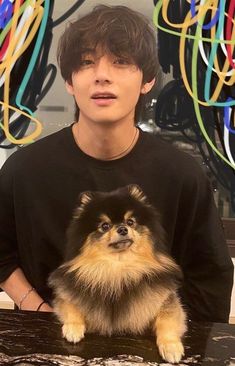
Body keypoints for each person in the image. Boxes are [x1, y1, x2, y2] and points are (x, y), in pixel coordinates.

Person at [0, 5, 233, 321]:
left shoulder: (182, 176)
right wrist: (39, 310)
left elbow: (211, 277)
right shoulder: (22, 171)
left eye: (121, 61)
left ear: (147, 80)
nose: (102, 75)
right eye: (86, 63)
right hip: (48, 342)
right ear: (70, 81)